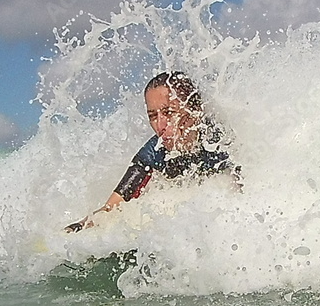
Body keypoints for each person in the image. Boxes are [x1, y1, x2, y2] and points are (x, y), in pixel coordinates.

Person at [65, 71, 238, 232]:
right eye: (153, 116)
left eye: (169, 113)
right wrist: (74, 229)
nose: (160, 126)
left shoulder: (221, 142)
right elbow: (110, 210)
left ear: (194, 111)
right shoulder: (152, 154)